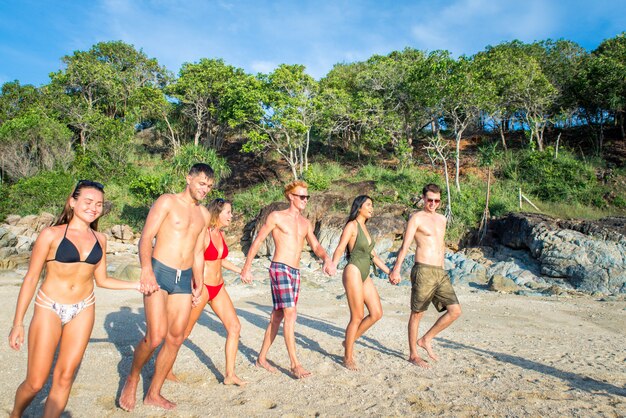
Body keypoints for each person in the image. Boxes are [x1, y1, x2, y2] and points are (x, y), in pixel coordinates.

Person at [8, 180, 144, 418]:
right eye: (88, 202)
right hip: (49, 306)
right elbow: (31, 278)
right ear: (73, 202)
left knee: (65, 377)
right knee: (36, 382)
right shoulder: (51, 235)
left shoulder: (100, 239)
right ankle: (16, 414)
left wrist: (136, 285)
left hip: (83, 308)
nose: (93, 208)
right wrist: (18, 323)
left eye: (99, 204)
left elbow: (101, 280)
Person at [119, 163, 213, 411]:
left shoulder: (204, 214)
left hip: (183, 279)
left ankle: (154, 393)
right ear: (188, 179)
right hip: (159, 271)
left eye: (209, 186)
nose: (205, 189)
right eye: (202, 184)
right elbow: (146, 237)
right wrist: (146, 269)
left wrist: (199, 280)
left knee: (175, 337)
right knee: (155, 336)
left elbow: (197, 250)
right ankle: (132, 377)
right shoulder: (167, 202)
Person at [240, 180, 336, 379]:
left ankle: (261, 358)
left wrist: (326, 259)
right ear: (291, 196)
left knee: (278, 316)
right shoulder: (277, 217)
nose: (305, 200)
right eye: (301, 196)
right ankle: (295, 364)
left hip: (295, 272)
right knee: (290, 313)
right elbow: (258, 240)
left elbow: (316, 246)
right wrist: (246, 268)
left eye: (307, 197)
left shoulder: (305, 223)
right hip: (280, 268)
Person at [166, 198, 246, 386]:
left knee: (234, 327)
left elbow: (220, 260)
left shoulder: (221, 234)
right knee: (184, 332)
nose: (231, 216)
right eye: (228, 212)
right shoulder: (205, 234)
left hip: (219, 287)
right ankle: (166, 369)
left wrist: (240, 271)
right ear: (217, 213)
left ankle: (230, 374)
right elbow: (194, 259)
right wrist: (196, 285)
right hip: (203, 288)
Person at [389, 183, 462, 368]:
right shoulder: (416, 218)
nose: (433, 203)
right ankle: (413, 354)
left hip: (439, 271)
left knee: (455, 310)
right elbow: (405, 245)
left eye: (436, 200)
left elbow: (441, 244)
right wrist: (396, 269)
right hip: (423, 269)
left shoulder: (442, 219)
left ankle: (426, 339)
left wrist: (444, 266)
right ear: (423, 198)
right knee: (417, 313)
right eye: (429, 200)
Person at [331, 195, 390, 370]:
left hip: (365, 273)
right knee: (357, 316)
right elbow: (341, 247)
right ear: (359, 207)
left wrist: (390, 272)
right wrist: (333, 264)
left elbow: (373, 256)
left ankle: (349, 340)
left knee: (376, 313)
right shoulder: (352, 225)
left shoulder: (365, 227)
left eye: (373, 205)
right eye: (369, 205)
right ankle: (347, 357)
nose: (372, 208)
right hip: (354, 270)